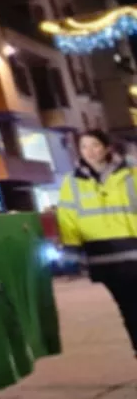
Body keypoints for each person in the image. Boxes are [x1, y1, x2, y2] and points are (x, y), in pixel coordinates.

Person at [57, 129, 137, 355]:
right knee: (129, 309)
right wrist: (71, 251)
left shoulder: (131, 176)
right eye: (84, 147)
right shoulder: (71, 183)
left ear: (107, 148)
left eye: (95, 145)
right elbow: (67, 219)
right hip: (104, 259)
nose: (90, 151)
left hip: (134, 253)